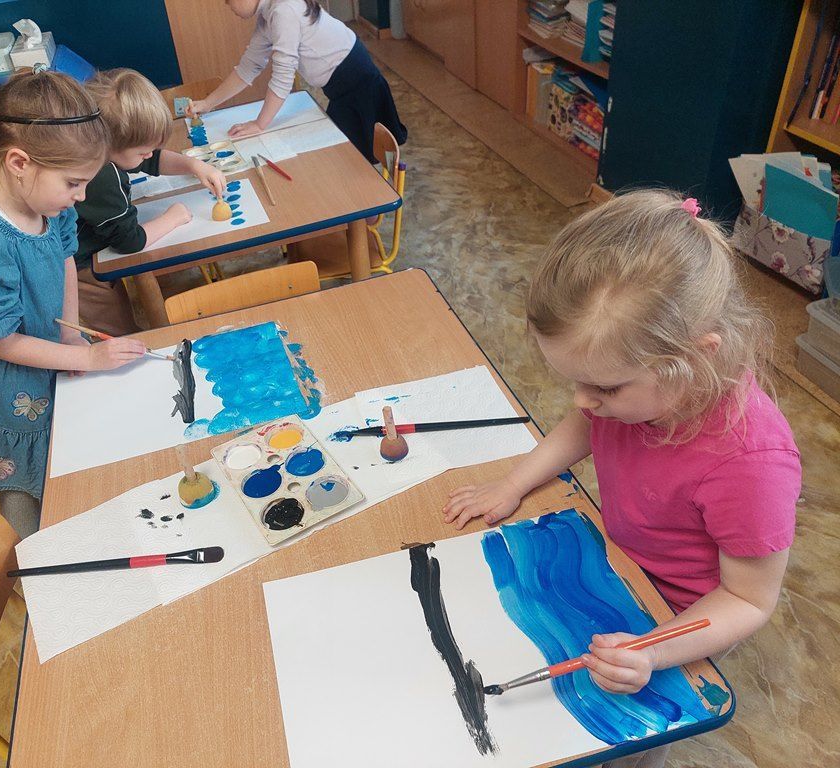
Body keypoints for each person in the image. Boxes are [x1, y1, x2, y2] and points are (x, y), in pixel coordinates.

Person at [443, 190, 801, 768]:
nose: (582, 401)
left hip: (683, 617)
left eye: (604, 388)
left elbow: (747, 599)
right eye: (575, 381)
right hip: (618, 564)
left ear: (696, 358)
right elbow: (584, 425)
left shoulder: (751, 463)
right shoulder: (633, 389)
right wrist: (513, 484)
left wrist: (652, 652)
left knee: (631, 736)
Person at [0, 70, 146, 539]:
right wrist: (86, 358)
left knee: (59, 440)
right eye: (74, 183)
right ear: (19, 162)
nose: (81, 197)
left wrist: (70, 333)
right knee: (19, 466)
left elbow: (64, 255)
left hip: (37, 336)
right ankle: (35, 551)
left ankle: (71, 520)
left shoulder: (45, 200)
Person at [75, 68, 228, 335]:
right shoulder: (102, 175)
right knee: (119, 333)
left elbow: (152, 159)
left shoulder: (101, 144)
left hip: (90, 245)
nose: (148, 155)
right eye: (142, 151)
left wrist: (194, 165)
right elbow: (130, 241)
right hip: (78, 267)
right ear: (109, 144)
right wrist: (174, 217)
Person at [189, 0, 406, 163]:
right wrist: (208, 103)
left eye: (229, 0)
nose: (227, 5)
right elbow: (248, 67)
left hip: (357, 83)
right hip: (342, 87)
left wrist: (259, 124)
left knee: (357, 160)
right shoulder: (268, 14)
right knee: (345, 157)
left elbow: (283, 76)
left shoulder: (283, 10)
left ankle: (369, 208)